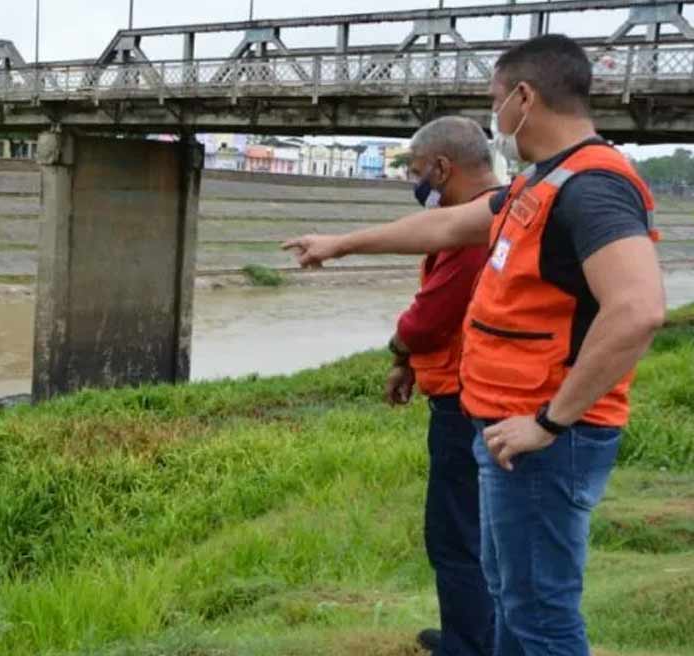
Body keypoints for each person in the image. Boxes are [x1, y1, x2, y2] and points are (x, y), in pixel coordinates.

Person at [283, 34, 665, 656]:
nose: (495, 120)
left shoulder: (592, 187)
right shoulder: (539, 182)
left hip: (540, 442)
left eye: (495, 101)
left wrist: (548, 422)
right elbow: (448, 224)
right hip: (504, 432)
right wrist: (343, 241)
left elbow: (639, 310)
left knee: (541, 618)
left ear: (523, 96)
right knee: (512, 603)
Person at [383, 116, 500, 656]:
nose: (415, 179)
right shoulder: (493, 214)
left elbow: (432, 315)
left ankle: (468, 644)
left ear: (441, 168)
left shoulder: (473, 230)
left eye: (415, 169)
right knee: (476, 528)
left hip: (463, 397)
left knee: (455, 532)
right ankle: (474, 635)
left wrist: (401, 349)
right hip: (472, 388)